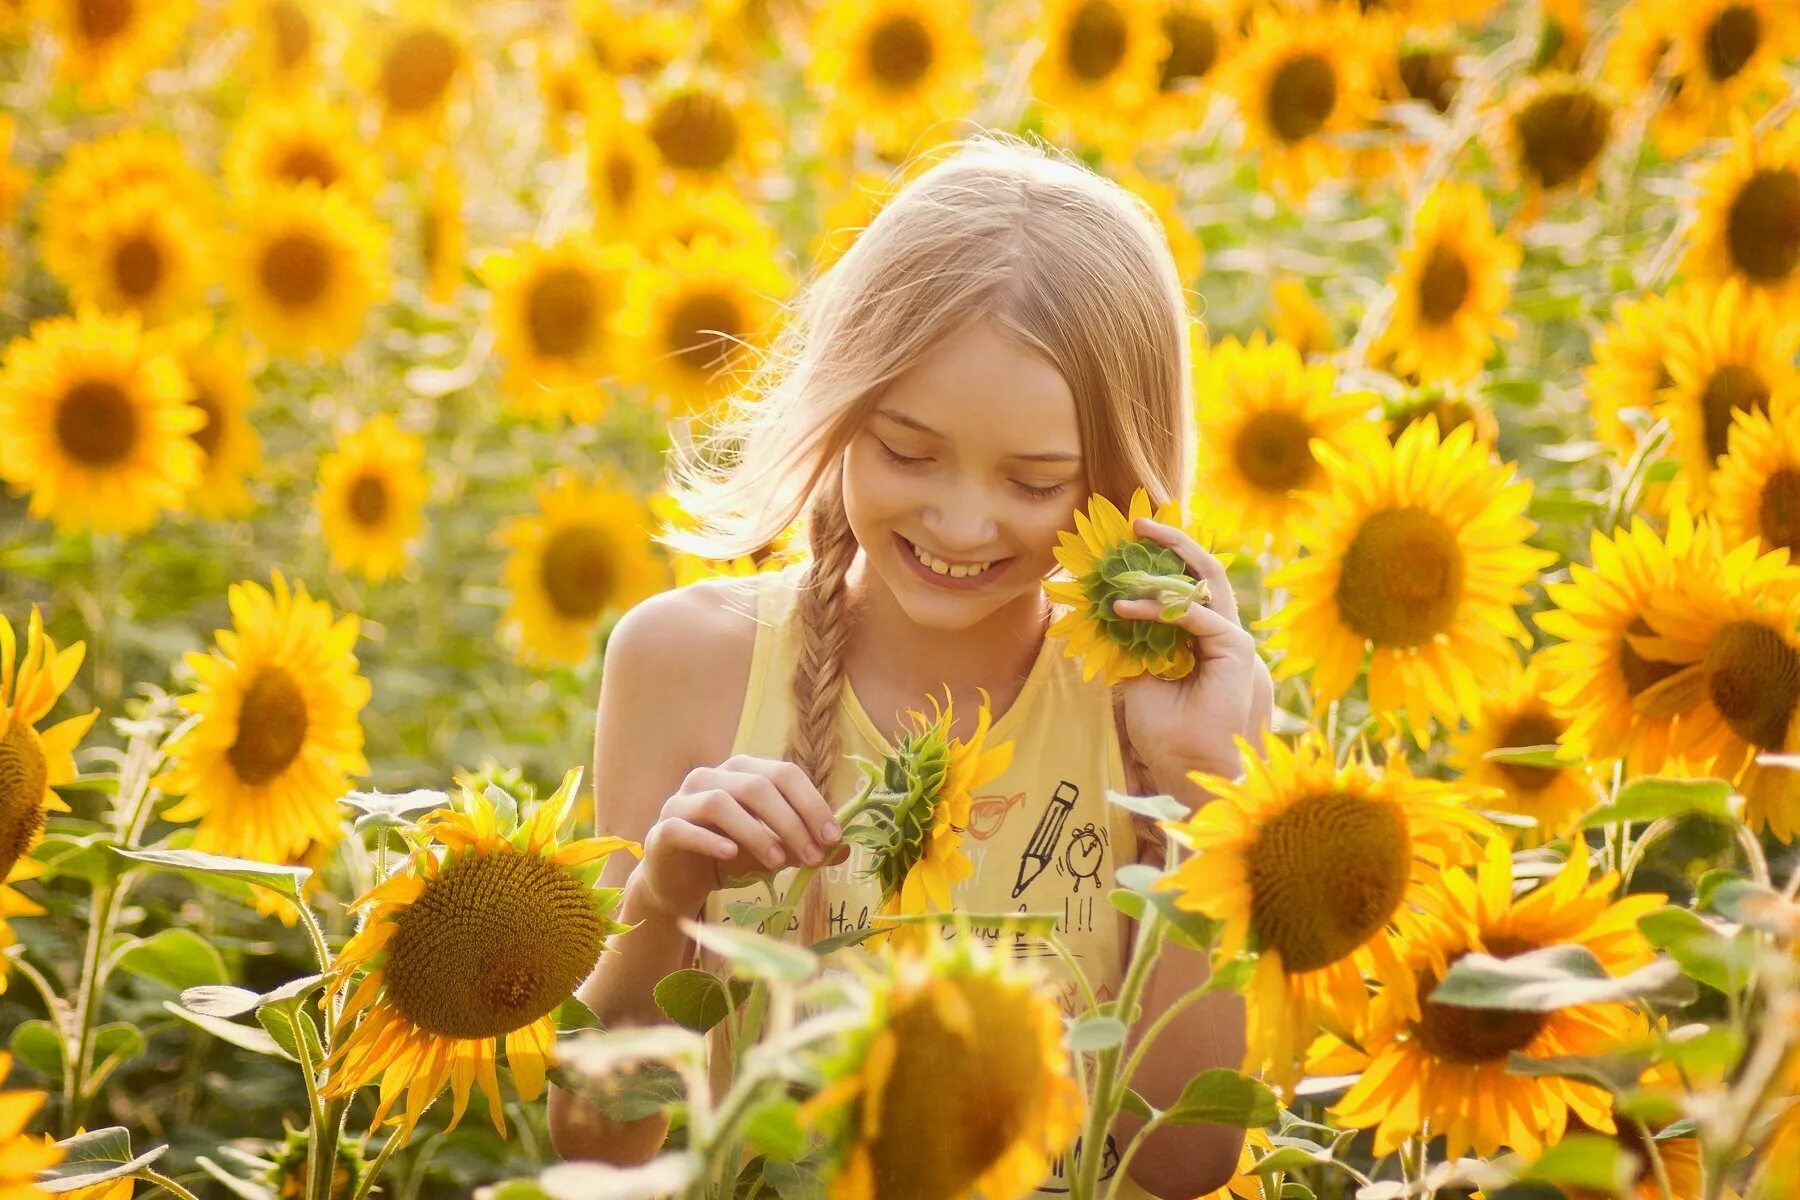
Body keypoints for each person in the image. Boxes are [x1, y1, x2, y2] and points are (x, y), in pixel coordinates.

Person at [547, 132, 1268, 1199]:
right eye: (907, 451)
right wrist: (666, 897)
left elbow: (1186, 1162)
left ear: (1123, 477)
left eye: (1035, 481)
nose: (964, 520)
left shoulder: (1160, 717)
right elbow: (595, 1144)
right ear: (837, 409)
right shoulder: (685, 664)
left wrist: (1204, 787)